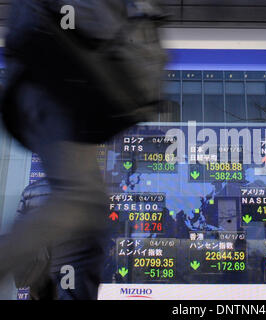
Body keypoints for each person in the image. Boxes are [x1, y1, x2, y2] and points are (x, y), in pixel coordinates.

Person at [0, 0, 166, 299]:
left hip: (57, 84)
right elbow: (90, 20)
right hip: (55, 81)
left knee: (90, 211)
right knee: (81, 200)